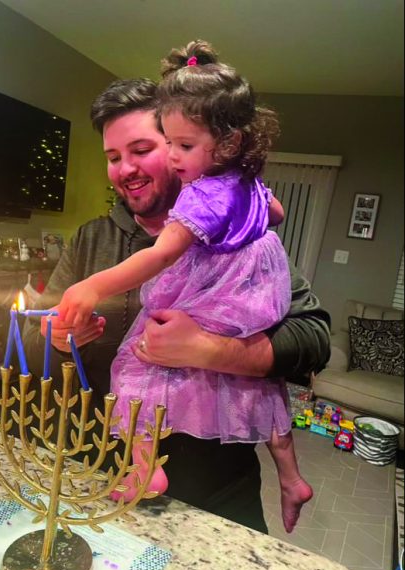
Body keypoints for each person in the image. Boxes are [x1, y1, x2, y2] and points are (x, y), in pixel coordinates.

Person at [23, 76, 331, 536]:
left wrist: (209, 350)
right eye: (112, 157)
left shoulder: (235, 238)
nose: (125, 168)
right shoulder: (92, 239)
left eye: (142, 149)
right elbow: (35, 342)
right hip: (106, 472)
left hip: (219, 490)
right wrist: (59, 338)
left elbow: (314, 340)